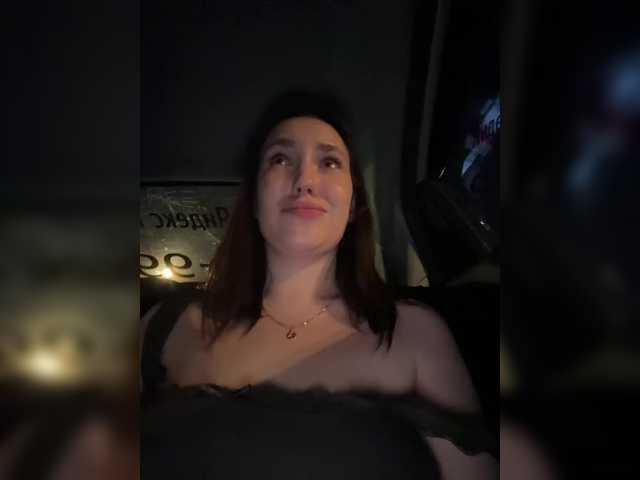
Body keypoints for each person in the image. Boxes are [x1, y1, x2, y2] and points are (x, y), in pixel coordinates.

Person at [141, 90, 497, 479]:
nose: (305, 180)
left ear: (353, 206)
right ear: (254, 200)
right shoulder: (168, 325)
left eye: (329, 162)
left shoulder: (413, 333)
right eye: (280, 159)